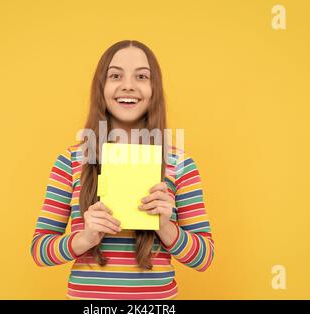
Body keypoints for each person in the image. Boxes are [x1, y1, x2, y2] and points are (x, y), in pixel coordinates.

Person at [30, 40, 215, 300]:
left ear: (154, 89)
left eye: (141, 76)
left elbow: (204, 258)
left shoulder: (180, 163)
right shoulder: (71, 160)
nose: (128, 85)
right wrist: (84, 238)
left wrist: (165, 225)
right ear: (101, 88)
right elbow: (39, 250)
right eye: (115, 75)